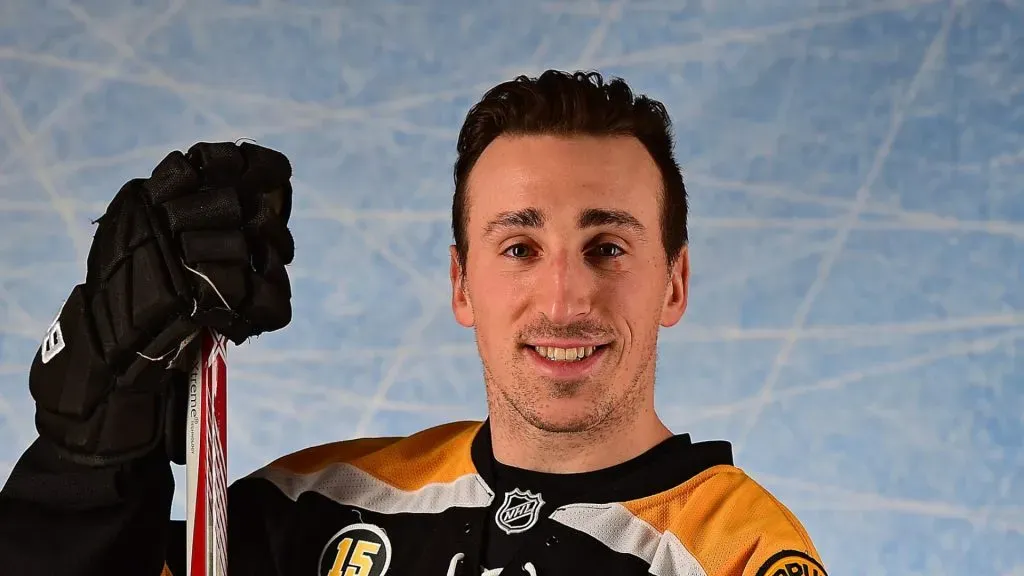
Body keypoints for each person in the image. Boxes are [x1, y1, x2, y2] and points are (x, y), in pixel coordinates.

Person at [0, 70, 828, 576]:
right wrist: (92, 454)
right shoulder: (315, 509)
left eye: (607, 247)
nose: (565, 299)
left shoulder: (737, 554)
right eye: (520, 248)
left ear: (674, 284)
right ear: (461, 283)